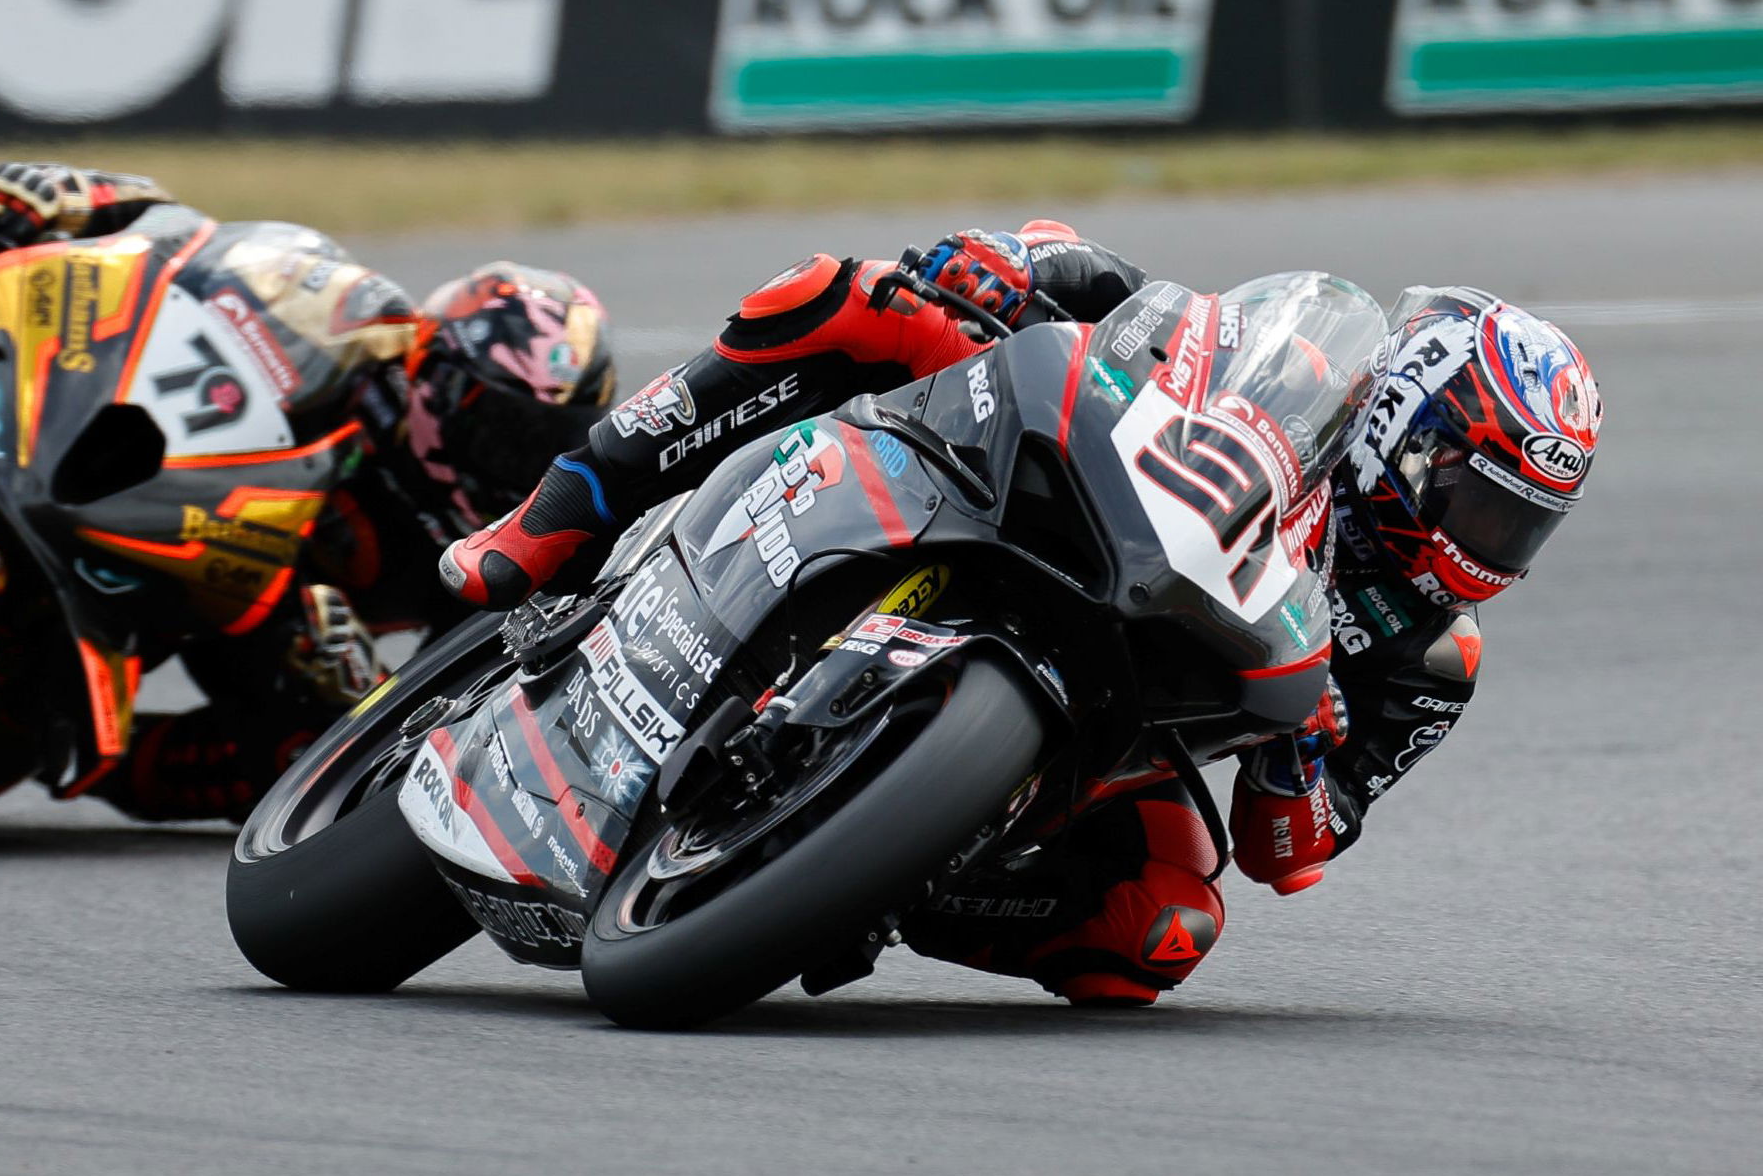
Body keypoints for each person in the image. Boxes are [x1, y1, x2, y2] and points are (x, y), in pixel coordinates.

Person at [440, 223, 1601, 1008]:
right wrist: (1010, 261)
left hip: (1117, 730)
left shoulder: (1428, 660)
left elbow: (1286, 854)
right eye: (1481, 503)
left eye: (1522, 527)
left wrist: (1297, 755)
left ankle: (884, 871)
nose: (1488, 546)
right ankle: (560, 510)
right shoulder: (1292, 369)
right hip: (1053, 499)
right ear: (1403, 429)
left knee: (1159, 930)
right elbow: (1119, 292)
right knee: (850, 296)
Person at [0, 161, 614, 823]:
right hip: (153, 480)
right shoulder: (358, 342)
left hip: (233, 625)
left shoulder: (485, 556)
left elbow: (438, 717)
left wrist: (354, 681)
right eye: (499, 425)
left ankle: (109, 760)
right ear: (435, 374)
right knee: (26, 248)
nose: (509, 457)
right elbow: (188, 242)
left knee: (313, 766)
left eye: (539, 442)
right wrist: (84, 196)